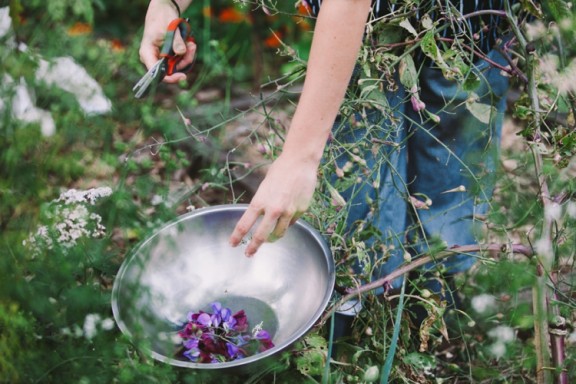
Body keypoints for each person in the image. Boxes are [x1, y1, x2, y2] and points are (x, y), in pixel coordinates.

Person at [139, 0, 522, 325]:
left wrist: (298, 158)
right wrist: (168, 5)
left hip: (467, 22)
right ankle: (366, 315)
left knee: (447, 181)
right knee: (360, 200)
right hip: (368, 35)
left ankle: (435, 309)